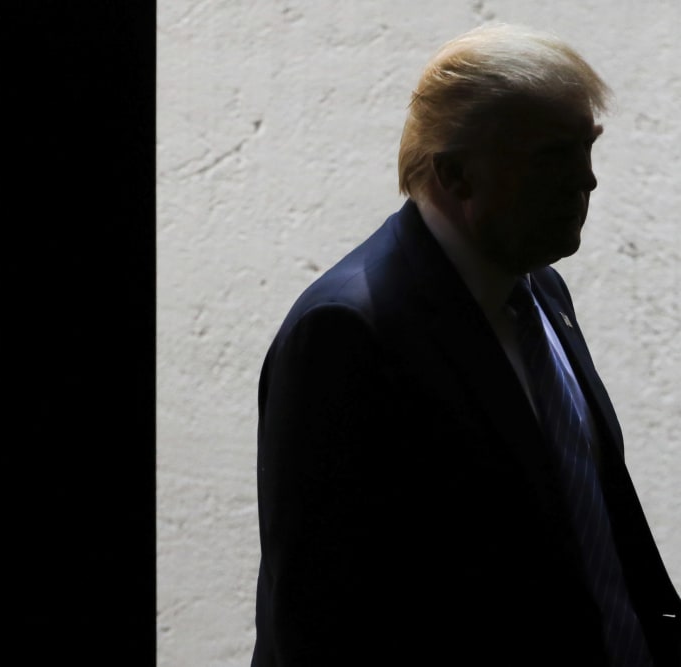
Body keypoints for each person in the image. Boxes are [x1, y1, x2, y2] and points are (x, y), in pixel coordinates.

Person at [251, 23, 681, 666]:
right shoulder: (346, 333)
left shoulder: (541, 289)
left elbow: (594, 534)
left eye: (587, 148)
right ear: (454, 174)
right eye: (552, 156)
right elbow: (318, 621)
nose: (587, 181)